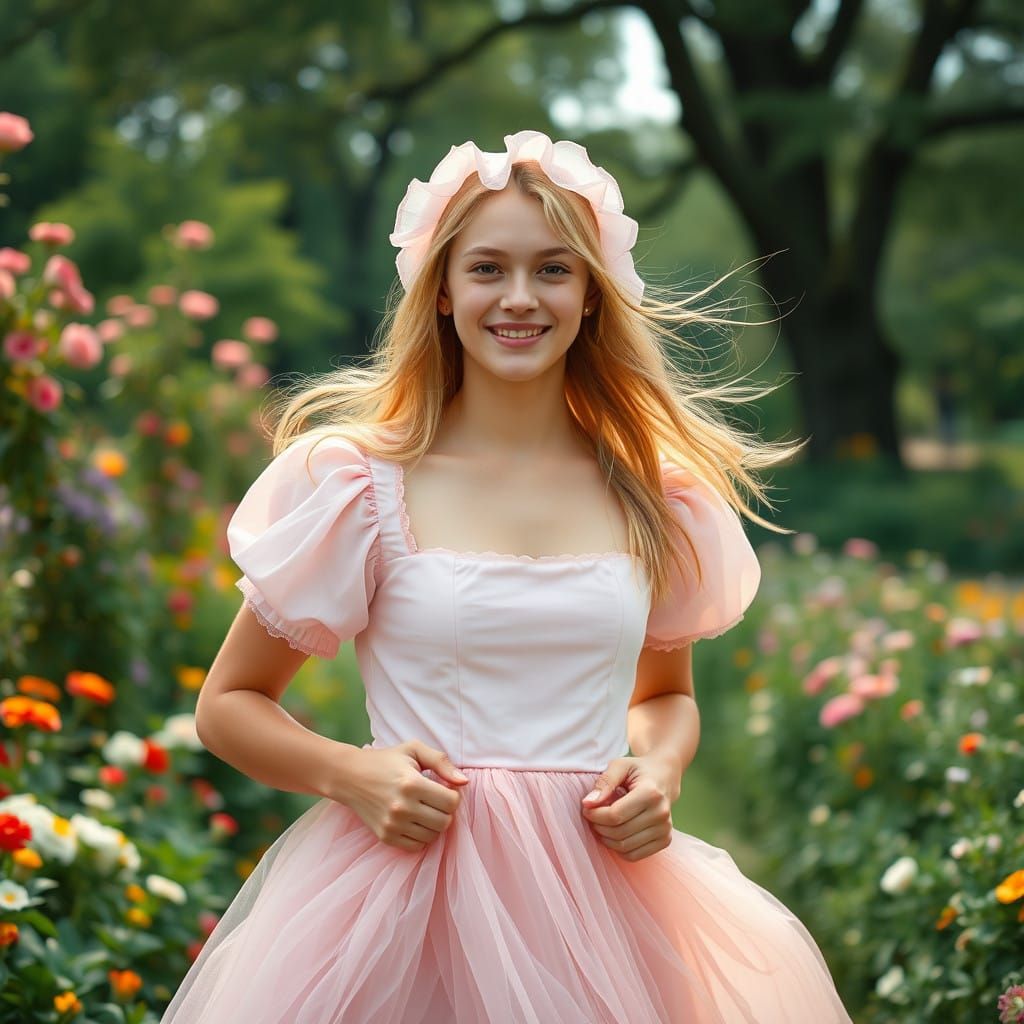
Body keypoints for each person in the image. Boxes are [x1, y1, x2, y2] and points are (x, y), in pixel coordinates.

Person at [160, 130, 853, 1022]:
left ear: (592, 296)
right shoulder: (363, 487)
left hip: (601, 908)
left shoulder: (653, 495)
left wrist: (664, 770)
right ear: (442, 293)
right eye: (487, 268)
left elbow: (665, 697)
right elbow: (228, 705)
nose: (519, 298)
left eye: (553, 270)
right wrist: (352, 774)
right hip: (400, 903)